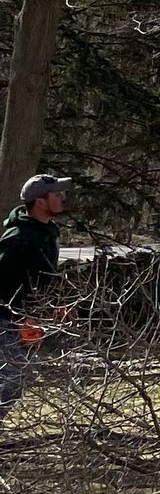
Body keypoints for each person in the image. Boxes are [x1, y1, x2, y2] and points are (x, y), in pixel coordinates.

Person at [0, 172, 69, 419]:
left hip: (27, 317)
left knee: (21, 374)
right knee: (16, 376)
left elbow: (43, 273)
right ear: (40, 201)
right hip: (7, 319)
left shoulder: (48, 231)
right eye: (57, 194)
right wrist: (19, 320)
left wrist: (54, 303)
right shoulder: (18, 239)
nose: (63, 197)